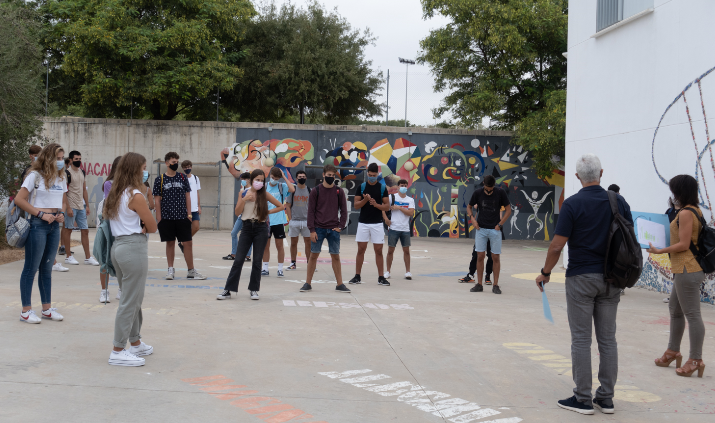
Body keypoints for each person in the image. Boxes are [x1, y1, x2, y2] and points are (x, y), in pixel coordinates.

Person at [535, 154, 632, 415]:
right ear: (601, 173)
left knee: (581, 339)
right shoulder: (619, 202)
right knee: (608, 340)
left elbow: (557, 245)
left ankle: (582, 399)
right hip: (612, 278)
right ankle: (606, 398)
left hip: (581, 278)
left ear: (577, 177)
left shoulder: (572, 204)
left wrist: (545, 272)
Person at [648, 175, 706, 378]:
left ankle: (696, 359)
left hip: (687, 268)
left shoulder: (687, 213)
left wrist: (659, 251)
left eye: (674, 191)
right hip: (682, 268)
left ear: (681, 192)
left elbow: (683, 244)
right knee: (675, 309)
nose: (672, 195)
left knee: (692, 314)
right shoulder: (689, 210)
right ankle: (673, 351)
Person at [105, 152, 158, 366]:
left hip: (119, 247)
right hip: (133, 248)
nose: (145, 172)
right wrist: (145, 224)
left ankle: (135, 342)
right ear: (136, 170)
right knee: (130, 301)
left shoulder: (116, 193)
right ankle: (118, 350)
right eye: (143, 167)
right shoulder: (136, 195)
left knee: (133, 297)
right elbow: (153, 226)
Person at [14, 143, 68, 324]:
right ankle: (26, 311)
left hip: (54, 224)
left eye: (62, 158)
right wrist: (40, 214)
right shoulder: (34, 176)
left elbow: (63, 200)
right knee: (31, 268)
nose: (61, 162)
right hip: (37, 223)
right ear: (49, 158)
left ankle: (46, 308)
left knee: (47, 268)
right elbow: (19, 199)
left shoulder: (61, 177)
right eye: (58, 158)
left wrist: (61, 213)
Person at [217, 169, 285, 300]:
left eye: (261, 180)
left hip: (260, 228)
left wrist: (267, 212)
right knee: (238, 260)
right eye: (257, 180)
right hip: (247, 227)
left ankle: (254, 289)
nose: (259, 182)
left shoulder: (264, 194)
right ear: (251, 180)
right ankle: (228, 289)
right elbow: (237, 212)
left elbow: (281, 207)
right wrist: (245, 199)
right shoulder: (243, 193)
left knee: (257, 261)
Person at [153, 152, 207, 281]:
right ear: (166, 163)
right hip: (167, 217)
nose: (175, 164)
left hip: (182, 216)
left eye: (177, 162)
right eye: (173, 162)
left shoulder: (183, 177)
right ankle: (170, 270)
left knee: (187, 243)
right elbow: (157, 200)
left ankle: (191, 271)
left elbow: (188, 196)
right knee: (170, 243)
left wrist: (189, 214)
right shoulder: (160, 179)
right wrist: (159, 218)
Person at [300, 164, 351, 293]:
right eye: (329, 175)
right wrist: (311, 230)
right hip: (318, 229)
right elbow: (310, 212)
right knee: (313, 256)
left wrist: (340, 226)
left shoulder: (339, 192)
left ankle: (340, 284)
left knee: (336, 256)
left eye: (333, 176)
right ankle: (307, 283)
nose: (331, 177)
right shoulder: (315, 191)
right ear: (323, 175)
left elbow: (344, 211)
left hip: (333, 229)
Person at [467, 175, 511, 294]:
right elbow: (469, 207)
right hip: (481, 229)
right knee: (480, 256)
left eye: (490, 189)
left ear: (494, 185)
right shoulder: (478, 193)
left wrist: (500, 224)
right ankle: (479, 284)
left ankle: (495, 285)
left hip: (495, 230)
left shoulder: (500, 193)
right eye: (487, 188)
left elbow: (508, 210)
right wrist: (473, 220)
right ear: (483, 184)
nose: (488, 191)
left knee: (495, 257)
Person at [349, 163, 390, 286]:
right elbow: (356, 205)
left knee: (378, 251)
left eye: (374, 175)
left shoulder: (382, 188)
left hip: (377, 223)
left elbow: (387, 206)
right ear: (367, 174)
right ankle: (357, 276)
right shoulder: (361, 187)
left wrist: (376, 204)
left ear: (377, 174)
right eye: (370, 175)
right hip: (363, 223)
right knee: (361, 249)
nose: (372, 177)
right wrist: (365, 200)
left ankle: (381, 277)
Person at [62, 150, 99, 267]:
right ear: (71, 160)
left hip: (81, 206)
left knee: (85, 230)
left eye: (80, 159)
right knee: (68, 229)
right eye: (76, 159)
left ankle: (88, 257)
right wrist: (67, 207)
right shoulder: (66, 173)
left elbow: (84, 189)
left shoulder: (82, 172)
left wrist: (87, 205)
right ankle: (68, 256)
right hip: (71, 206)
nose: (78, 161)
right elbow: (64, 192)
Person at [458, 207, 506, 284]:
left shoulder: (498, 200)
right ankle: (471, 274)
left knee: (491, 255)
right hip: (482, 230)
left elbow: (501, 216)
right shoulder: (482, 197)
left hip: (493, 230)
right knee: (476, 253)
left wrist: (498, 224)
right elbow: (475, 206)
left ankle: (488, 276)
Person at [262, 167, 294, 277]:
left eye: (276, 178)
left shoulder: (282, 186)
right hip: (266, 221)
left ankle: (280, 269)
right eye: (272, 178)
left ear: (279, 179)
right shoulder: (264, 186)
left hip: (278, 221)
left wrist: (284, 177)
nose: (273, 180)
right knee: (265, 246)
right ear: (269, 175)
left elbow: (292, 189)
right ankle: (265, 268)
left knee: (279, 246)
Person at [98, 155, 123, 302]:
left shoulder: (131, 184)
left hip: (123, 227)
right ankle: (104, 290)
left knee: (121, 260)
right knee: (105, 259)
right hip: (110, 224)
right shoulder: (109, 184)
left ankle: (121, 288)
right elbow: (110, 204)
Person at [383, 179, 415, 280]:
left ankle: (408, 272)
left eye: (405, 185)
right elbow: (383, 209)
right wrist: (386, 219)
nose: (403, 187)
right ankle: (387, 271)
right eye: (402, 185)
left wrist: (399, 208)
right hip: (393, 228)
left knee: (406, 251)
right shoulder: (392, 197)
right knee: (390, 250)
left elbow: (410, 213)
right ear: (398, 186)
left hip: (405, 229)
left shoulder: (410, 200)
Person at [223, 172, 253, 261]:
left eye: (244, 179)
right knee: (234, 233)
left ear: (248, 180)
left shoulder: (252, 190)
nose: (242, 181)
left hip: (248, 215)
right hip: (241, 215)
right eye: (241, 179)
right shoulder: (242, 191)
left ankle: (247, 256)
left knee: (249, 235)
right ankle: (234, 254)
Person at [287, 170, 312, 270]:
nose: (302, 178)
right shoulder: (292, 190)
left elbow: (313, 207)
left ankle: (310, 263)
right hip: (295, 221)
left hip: (307, 221)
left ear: (306, 178)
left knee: (308, 243)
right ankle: (293, 263)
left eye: (303, 176)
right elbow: (288, 205)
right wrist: (290, 219)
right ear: (296, 179)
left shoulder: (310, 190)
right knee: (293, 243)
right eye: (300, 177)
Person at [181, 160, 202, 240]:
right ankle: (185, 242)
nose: (187, 168)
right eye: (185, 167)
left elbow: (197, 193)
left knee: (196, 227)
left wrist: (199, 206)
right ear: (183, 168)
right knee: (185, 228)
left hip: (194, 208)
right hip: (184, 208)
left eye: (189, 167)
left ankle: (184, 241)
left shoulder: (196, 178)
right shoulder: (181, 178)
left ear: (191, 167)